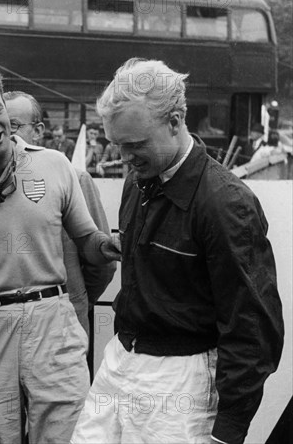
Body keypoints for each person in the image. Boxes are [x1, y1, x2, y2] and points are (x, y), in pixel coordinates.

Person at [71, 58, 284, 444]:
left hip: (181, 380)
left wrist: (228, 430)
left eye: (136, 145)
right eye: (117, 144)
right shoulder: (138, 181)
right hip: (119, 360)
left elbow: (252, 327)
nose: (125, 158)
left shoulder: (226, 204)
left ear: (175, 120)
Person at [0, 66, 120, 444]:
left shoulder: (54, 165)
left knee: (67, 437)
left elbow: (88, 241)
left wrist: (108, 246)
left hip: (54, 322)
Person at [4, 90, 116, 340]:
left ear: (39, 130)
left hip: (65, 332)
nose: (4, 134)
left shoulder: (75, 179)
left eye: (13, 126)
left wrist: (75, 300)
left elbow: (103, 263)